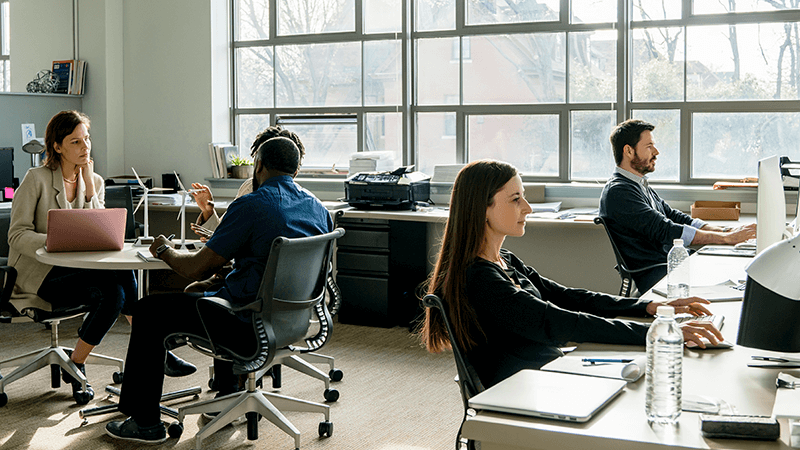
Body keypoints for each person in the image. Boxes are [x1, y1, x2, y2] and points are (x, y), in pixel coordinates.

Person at [418, 159, 724, 389]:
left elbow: (567, 297)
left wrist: (647, 308)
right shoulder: (479, 278)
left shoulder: (504, 260)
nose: (528, 208)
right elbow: (557, 322)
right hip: (524, 388)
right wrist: (658, 334)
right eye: (515, 199)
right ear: (482, 208)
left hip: (544, 369)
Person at [105, 136, 333, 443]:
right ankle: (228, 394)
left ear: (259, 165)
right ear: (296, 169)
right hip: (293, 322)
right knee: (210, 292)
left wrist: (164, 250)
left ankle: (145, 422)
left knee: (148, 310)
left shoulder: (252, 204)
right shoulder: (318, 209)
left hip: (246, 324)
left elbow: (194, 267)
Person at [6, 111, 193, 401]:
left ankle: (76, 362)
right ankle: (158, 349)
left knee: (115, 292)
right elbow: (16, 235)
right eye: (76, 141)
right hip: (41, 274)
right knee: (118, 283)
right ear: (57, 147)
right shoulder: (36, 179)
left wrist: (92, 192)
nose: (86, 147)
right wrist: (55, 241)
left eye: (87, 139)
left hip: (82, 270)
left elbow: (103, 234)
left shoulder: (94, 180)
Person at [599, 119, 756, 293]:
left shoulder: (637, 183)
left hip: (674, 267)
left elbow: (674, 216)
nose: (656, 152)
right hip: (659, 275)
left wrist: (724, 231)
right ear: (628, 151)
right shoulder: (619, 191)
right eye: (649, 146)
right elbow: (666, 230)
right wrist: (726, 239)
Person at [184, 125, 306, 293]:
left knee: (192, 290)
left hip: (254, 290)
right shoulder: (313, 206)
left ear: (259, 164)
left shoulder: (252, 200)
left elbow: (222, 247)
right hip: (298, 294)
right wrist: (208, 212)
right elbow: (227, 232)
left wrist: (164, 250)